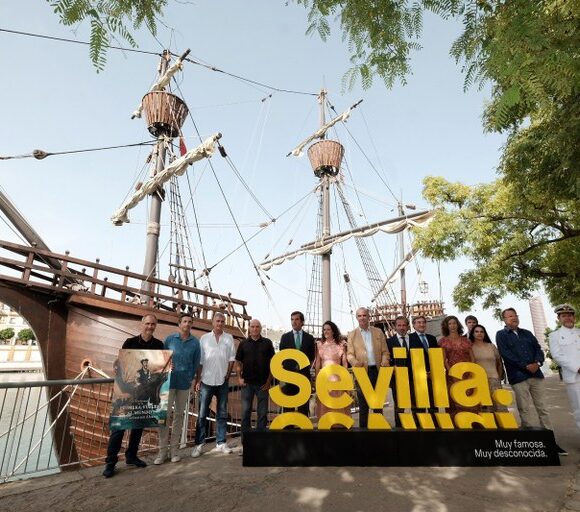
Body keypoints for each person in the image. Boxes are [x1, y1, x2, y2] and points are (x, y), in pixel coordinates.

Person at [496, 307, 567, 455]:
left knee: (543, 409)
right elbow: (506, 354)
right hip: (518, 376)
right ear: (504, 320)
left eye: (514, 315)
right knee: (524, 408)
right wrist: (526, 366)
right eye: (509, 316)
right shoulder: (501, 335)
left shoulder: (527, 333)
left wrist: (538, 363)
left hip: (536, 376)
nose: (513, 318)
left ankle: (550, 442)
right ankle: (531, 443)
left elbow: (538, 349)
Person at [103, 314, 164, 478]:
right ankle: (110, 462)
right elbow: (121, 366)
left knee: (138, 425)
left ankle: (131, 456)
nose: (150, 327)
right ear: (141, 324)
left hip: (144, 393)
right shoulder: (129, 343)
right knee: (119, 427)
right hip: (129, 390)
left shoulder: (159, 345)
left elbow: (160, 369)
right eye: (147, 324)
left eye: (153, 324)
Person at [154, 312, 201, 465]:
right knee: (164, 417)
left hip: (184, 384)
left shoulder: (195, 343)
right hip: (167, 383)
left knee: (179, 416)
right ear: (179, 324)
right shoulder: (169, 340)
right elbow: (162, 358)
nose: (187, 324)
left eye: (190, 322)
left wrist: (191, 377)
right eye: (185, 321)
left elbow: (196, 363)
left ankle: (174, 451)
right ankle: (162, 452)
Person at [192, 312, 236, 457]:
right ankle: (199, 445)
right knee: (202, 413)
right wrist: (198, 379)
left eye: (222, 321)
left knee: (222, 413)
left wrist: (228, 376)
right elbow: (200, 361)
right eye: (217, 321)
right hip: (206, 380)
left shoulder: (229, 338)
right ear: (213, 322)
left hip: (222, 381)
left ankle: (221, 443)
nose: (220, 323)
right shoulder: (204, 339)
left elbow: (231, 359)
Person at [346, 307, 390, 428]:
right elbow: (349, 355)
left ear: (368, 317)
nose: (362, 318)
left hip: (376, 371)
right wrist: (355, 363)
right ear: (356, 318)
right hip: (362, 373)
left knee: (378, 404)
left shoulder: (378, 332)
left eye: (364, 315)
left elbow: (385, 352)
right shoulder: (352, 335)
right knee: (363, 405)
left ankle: (379, 429)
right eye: (359, 316)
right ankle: (363, 432)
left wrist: (385, 361)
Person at [236, 319, 275, 436]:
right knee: (245, 413)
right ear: (249, 328)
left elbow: (273, 363)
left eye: (257, 326)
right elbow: (238, 362)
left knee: (262, 413)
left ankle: (260, 440)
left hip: (263, 384)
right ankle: (245, 441)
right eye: (252, 326)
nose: (255, 329)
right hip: (247, 384)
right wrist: (239, 377)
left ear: (260, 328)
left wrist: (269, 381)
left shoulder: (267, 343)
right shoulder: (243, 344)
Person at [438, 315, 479, 418]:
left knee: (471, 399)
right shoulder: (443, 341)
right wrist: (452, 374)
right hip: (452, 375)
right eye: (450, 324)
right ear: (446, 326)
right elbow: (444, 360)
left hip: (468, 374)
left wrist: (471, 373)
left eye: (454, 323)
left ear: (458, 325)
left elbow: (473, 358)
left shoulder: (466, 340)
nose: (452, 326)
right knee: (455, 401)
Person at [549, 304, 580, 430]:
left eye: (570, 315)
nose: (567, 318)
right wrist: (577, 367)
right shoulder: (554, 335)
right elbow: (557, 355)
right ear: (559, 319)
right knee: (579, 409)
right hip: (574, 378)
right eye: (564, 316)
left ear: (574, 317)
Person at [278, 311, 316, 416]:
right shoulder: (285, 337)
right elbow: (282, 356)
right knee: (288, 405)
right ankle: (288, 429)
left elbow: (311, 356)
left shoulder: (309, 338)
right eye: (292, 319)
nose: (294, 322)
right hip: (289, 377)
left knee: (303, 407)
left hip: (304, 376)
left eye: (297, 319)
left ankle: (302, 430)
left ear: (302, 322)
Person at [314, 321, 350, 421]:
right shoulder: (319, 344)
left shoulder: (341, 345)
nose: (326, 331)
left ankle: (338, 423)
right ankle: (326, 422)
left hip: (337, 379)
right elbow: (317, 363)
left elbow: (345, 363)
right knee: (325, 401)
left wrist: (345, 379)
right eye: (324, 329)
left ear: (333, 331)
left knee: (337, 400)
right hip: (324, 378)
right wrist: (317, 378)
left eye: (328, 329)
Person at [469, 324, 506, 412]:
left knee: (499, 406)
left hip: (494, 379)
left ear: (485, 334)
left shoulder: (491, 346)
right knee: (484, 408)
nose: (479, 333)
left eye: (482, 332)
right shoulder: (470, 347)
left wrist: (499, 377)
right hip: (478, 380)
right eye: (476, 332)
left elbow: (499, 362)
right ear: (473, 334)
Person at [409, 315, 439, 411]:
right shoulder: (409, 338)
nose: (421, 324)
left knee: (433, 403)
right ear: (413, 325)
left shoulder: (432, 338)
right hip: (417, 377)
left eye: (423, 322)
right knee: (419, 406)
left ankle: (435, 424)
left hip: (432, 376)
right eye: (418, 322)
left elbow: (436, 357)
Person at [387, 316, 411, 427]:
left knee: (416, 405)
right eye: (399, 325)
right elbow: (387, 359)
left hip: (414, 378)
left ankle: (417, 428)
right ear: (395, 327)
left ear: (408, 326)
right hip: (397, 379)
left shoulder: (414, 339)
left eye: (404, 325)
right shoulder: (389, 342)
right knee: (399, 407)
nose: (402, 328)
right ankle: (399, 429)